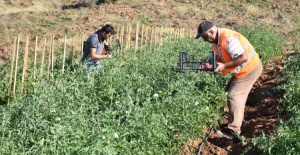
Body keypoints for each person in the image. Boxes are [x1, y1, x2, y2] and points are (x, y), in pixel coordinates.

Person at [195, 21, 263, 142]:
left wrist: (225, 66)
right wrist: (209, 65)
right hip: (243, 70)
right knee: (228, 91)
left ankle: (234, 130)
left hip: (250, 68)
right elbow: (221, 58)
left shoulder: (228, 38)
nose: (205, 40)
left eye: (205, 37)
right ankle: (239, 121)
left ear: (211, 32)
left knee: (234, 95)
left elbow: (243, 57)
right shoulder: (217, 42)